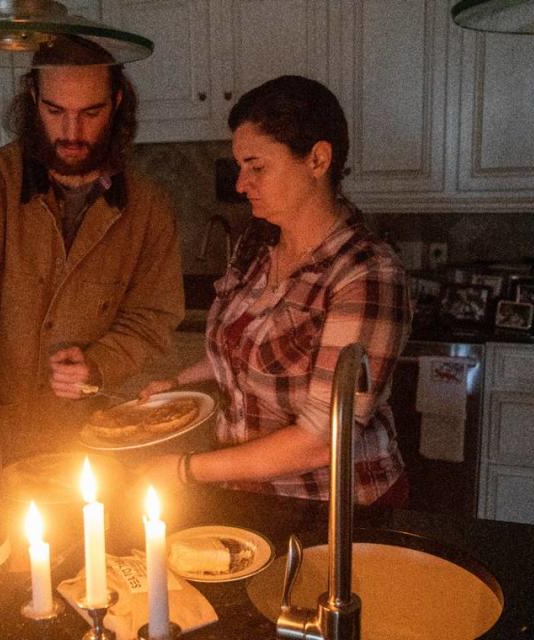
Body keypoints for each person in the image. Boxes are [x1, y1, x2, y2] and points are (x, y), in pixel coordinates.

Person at [0, 46, 184, 454]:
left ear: (117, 102)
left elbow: (152, 316)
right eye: (54, 111)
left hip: (87, 439)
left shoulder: (149, 208)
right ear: (33, 99)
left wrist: (99, 364)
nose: (71, 132)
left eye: (90, 113)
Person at [139, 75, 411, 506]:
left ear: (318, 160)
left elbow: (322, 439)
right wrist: (177, 383)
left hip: (335, 507)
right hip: (249, 491)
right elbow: (244, 351)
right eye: (240, 166)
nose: (241, 183)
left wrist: (184, 469)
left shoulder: (366, 275)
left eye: (257, 166)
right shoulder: (257, 244)